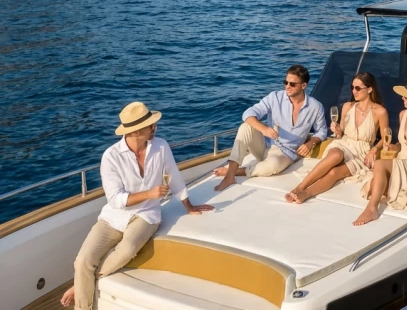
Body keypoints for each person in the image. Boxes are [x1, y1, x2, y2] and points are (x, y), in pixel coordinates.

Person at [60, 102, 213, 310]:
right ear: (137, 131)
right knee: (82, 261)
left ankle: (81, 284)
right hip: (114, 216)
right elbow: (115, 199)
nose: (155, 127)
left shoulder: (161, 146)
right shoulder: (111, 156)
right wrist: (150, 193)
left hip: (146, 214)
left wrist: (189, 205)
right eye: (152, 125)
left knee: (127, 250)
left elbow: (174, 177)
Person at [214, 64, 327, 191]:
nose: (287, 87)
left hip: (286, 153)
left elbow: (322, 131)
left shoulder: (315, 107)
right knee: (246, 127)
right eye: (286, 82)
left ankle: (237, 171)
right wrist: (263, 129)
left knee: (272, 166)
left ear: (304, 85)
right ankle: (229, 176)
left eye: (292, 84)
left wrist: (311, 143)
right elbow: (248, 114)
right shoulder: (275, 97)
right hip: (265, 145)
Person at [286, 72, 388, 204]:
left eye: (358, 88)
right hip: (344, 144)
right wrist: (338, 130)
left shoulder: (380, 111)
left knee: (335, 173)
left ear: (369, 89)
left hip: (361, 152)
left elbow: (386, 138)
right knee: (336, 155)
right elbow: (341, 133)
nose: (354, 91)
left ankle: (306, 193)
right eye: (352, 87)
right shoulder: (347, 106)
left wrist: (374, 150)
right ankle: (300, 187)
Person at [353, 77, 407, 226]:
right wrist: (395, 147)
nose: (402, 98)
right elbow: (404, 143)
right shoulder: (403, 114)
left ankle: (372, 209)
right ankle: (379, 199)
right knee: (375, 186)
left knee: (380, 164)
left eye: (406, 96)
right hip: (403, 160)